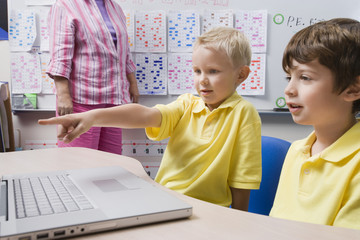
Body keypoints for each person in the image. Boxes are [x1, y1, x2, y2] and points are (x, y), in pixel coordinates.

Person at [39, 27, 262, 210]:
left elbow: (242, 176)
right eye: (197, 71)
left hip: (212, 209)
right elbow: (145, 115)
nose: (202, 80)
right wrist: (92, 117)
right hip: (166, 201)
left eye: (213, 71)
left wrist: (239, 221)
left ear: (240, 74)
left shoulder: (244, 113)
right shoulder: (186, 104)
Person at [270, 18, 360, 229]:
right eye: (288, 77)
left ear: (353, 89)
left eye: (305, 77)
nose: (289, 90)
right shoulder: (296, 151)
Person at [46, 0, 139, 154]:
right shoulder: (64, 5)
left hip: (114, 100)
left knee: (111, 161)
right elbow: (60, 55)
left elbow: (124, 52)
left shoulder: (115, 7)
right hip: (82, 99)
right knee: (80, 161)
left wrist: (132, 84)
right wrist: (63, 95)